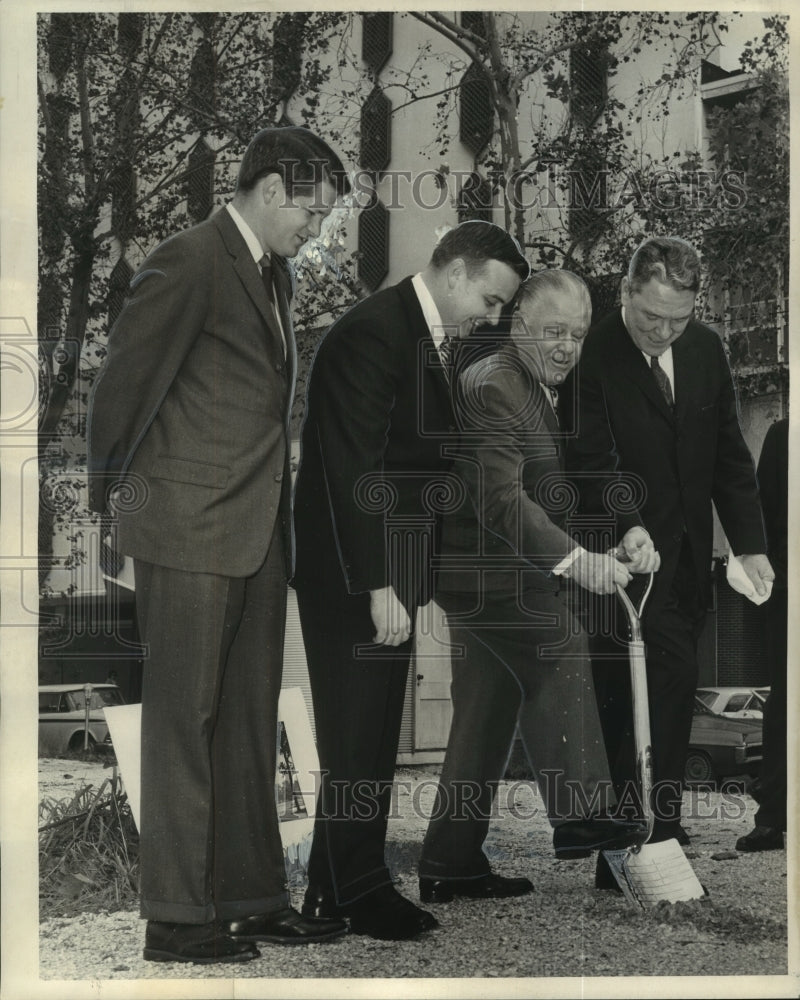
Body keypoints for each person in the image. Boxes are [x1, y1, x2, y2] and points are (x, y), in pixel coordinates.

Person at [87, 127, 351, 964]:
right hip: (187, 528)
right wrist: (110, 518)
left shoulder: (272, 278)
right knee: (182, 722)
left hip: (258, 532)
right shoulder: (189, 259)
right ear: (270, 189)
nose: (318, 231)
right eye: (312, 213)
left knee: (245, 722)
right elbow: (122, 391)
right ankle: (175, 916)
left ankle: (250, 897)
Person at [293, 221, 530, 940]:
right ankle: (359, 893)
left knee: (363, 738)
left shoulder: (420, 334)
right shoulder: (374, 332)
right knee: (357, 736)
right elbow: (354, 468)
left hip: (386, 570)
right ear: (455, 272)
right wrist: (377, 583)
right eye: (490, 300)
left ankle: (336, 890)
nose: (491, 318)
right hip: (355, 574)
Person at [417, 270, 650, 903]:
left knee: (485, 716)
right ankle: (581, 814)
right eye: (554, 332)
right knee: (558, 639)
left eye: (576, 335)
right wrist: (578, 563)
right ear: (519, 323)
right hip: (485, 572)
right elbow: (499, 500)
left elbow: (545, 499)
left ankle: (449, 863)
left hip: (494, 569)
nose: (568, 348)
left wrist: (609, 545)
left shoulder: (527, 384)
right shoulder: (497, 384)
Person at [559, 236, 773, 887]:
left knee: (673, 696)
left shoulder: (706, 349)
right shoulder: (594, 355)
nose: (663, 332)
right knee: (631, 700)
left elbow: (729, 457)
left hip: (683, 565)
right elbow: (595, 461)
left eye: (677, 319)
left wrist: (751, 542)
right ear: (626, 293)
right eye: (651, 317)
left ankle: (649, 834)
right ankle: (639, 841)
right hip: (619, 562)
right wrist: (629, 525)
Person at [736, 416, 788, 852]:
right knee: (786, 703)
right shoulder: (784, 434)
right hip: (792, 597)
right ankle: (772, 818)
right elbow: (761, 512)